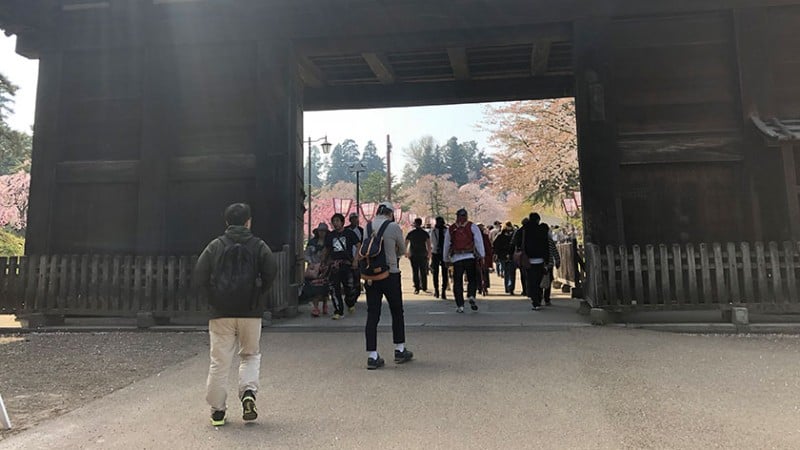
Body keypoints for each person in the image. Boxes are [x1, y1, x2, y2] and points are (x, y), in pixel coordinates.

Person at [193, 203, 277, 426]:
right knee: (250, 354)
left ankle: (218, 411)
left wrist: (212, 298)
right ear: (248, 221)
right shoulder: (258, 245)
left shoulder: (215, 246)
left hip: (221, 312)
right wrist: (259, 293)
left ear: (227, 222)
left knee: (219, 361)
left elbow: (200, 275)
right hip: (250, 310)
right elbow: (271, 270)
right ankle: (248, 393)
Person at [363, 201, 413, 370]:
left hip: (371, 276)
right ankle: (399, 349)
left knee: (372, 314)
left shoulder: (367, 227)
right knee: (397, 311)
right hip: (390, 273)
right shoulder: (393, 227)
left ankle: (372, 355)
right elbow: (401, 249)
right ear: (390, 213)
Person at [443, 208, 485, 313]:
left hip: (457, 258)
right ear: (466, 216)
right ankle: (471, 295)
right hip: (470, 256)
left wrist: (445, 258)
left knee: (457, 282)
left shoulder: (451, 228)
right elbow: (478, 241)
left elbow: (446, 244)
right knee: (472, 278)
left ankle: (460, 305)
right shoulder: (472, 226)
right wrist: (482, 255)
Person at [323, 213, 361, 319]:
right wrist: (323, 262)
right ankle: (338, 311)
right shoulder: (330, 235)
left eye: (337, 221)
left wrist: (356, 260)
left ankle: (350, 303)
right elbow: (326, 249)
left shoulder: (349, 233)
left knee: (349, 287)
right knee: (334, 289)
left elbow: (358, 245)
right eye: (334, 221)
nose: (335, 223)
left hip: (347, 264)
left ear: (342, 222)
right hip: (335, 265)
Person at [514, 212, 550, 310]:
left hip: (527, 259)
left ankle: (535, 301)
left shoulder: (524, 230)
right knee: (538, 280)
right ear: (538, 220)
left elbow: (516, 242)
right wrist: (546, 259)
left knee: (531, 281)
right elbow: (546, 246)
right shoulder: (542, 230)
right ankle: (539, 297)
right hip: (540, 259)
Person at [304, 222, 331, 317]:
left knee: (325, 289)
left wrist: (327, 264)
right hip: (314, 268)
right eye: (320, 231)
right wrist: (310, 262)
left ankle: (325, 304)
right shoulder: (312, 242)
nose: (322, 233)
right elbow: (306, 254)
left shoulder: (329, 243)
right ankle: (315, 307)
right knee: (314, 289)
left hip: (325, 268)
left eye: (324, 231)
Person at [405, 217, 431, 294]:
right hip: (423, 254)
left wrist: (406, 253)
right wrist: (429, 253)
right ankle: (424, 287)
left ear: (415, 224)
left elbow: (406, 243)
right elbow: (428, 244)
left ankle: (416, 288)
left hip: (413, 254)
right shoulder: (425, 233)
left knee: (415, 271)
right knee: (423, 271)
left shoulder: (411, 233)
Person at [492, 222, 517, 295]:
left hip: (506, 255)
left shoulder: (500, 235)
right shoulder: (512, 234)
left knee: (508, 272)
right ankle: (510, 288)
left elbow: (495, 244)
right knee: (510, 272)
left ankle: (509, 288)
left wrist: (497, 253)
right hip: (507, 255)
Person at [541, 223, 562, 306]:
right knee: (548, 281)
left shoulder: (537, 240)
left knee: (538, 280)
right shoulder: (549, 240)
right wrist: (557, 261)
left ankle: (539, 298)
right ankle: (547, 299)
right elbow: (554, 251)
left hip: (539, 263)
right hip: (549, 263)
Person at [429, 216, 449, 300]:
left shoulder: (433, 230)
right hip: (444, 253)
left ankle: (437, 290)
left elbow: (432, 241)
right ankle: (443, 291)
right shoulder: (447, 230)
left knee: (435, 273)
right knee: (445, 273)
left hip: (435, 252)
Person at [347, 212, 365, 300]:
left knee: (357, 275)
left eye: (356, 218)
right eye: (353, 219)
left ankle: (356, 292)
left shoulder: (361, 230)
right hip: (348, 256)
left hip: (359, 256)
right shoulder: (346, 230)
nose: (354, 220)